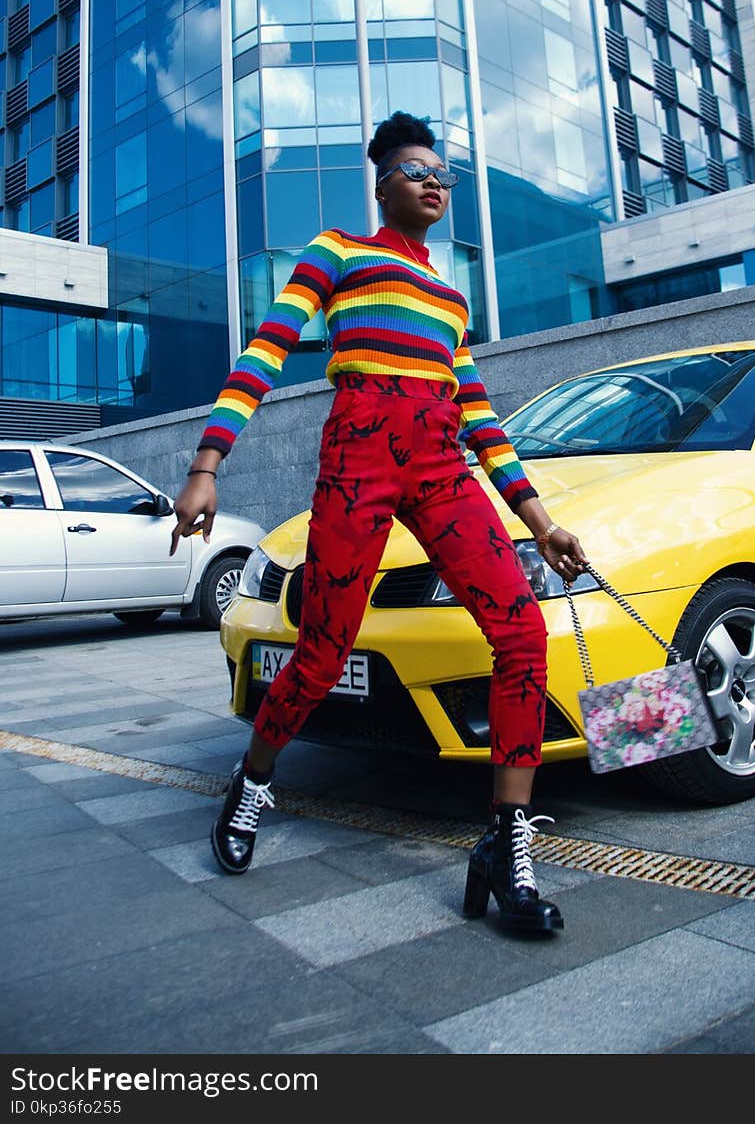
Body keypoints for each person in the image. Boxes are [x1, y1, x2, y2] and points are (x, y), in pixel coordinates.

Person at [170, 111, 588, 936]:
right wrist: (206, 465)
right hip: (360, 455)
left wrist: (539, 521)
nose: (434, 182)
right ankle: (254, 779)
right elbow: (263, 352)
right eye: (414, 168)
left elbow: (482, 420)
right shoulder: (338, 253)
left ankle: (505, 845)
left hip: (441, 467)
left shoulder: (452, 299)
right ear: (382, 183)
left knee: (520, 631)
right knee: (323, 655)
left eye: (443, 174)